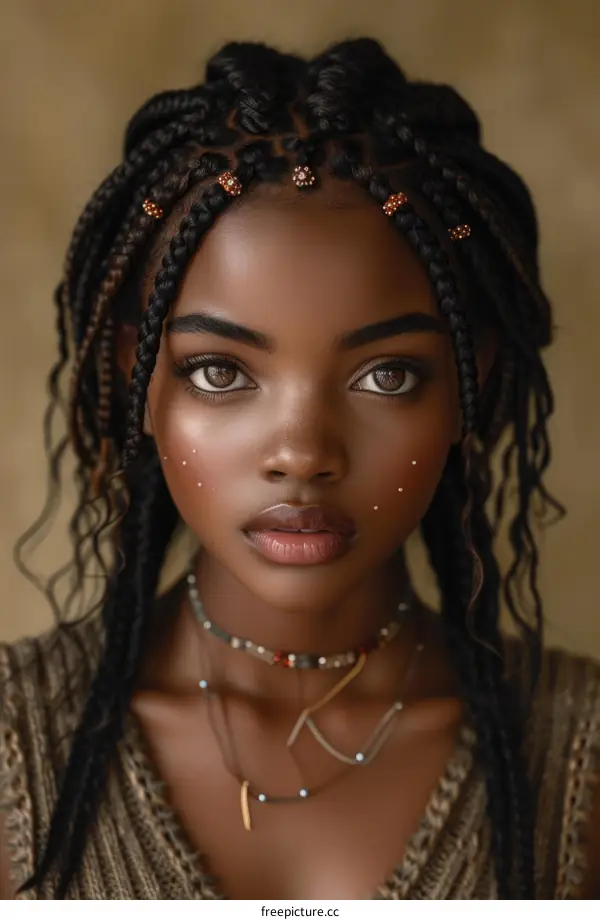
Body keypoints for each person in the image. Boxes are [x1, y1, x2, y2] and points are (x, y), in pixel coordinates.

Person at [0, 36, 598, 901]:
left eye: (387, 375)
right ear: (140, 377)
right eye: (221, 371)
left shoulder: (576, 753)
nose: (303, 455)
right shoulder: (16, 744)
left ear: (472, 384)